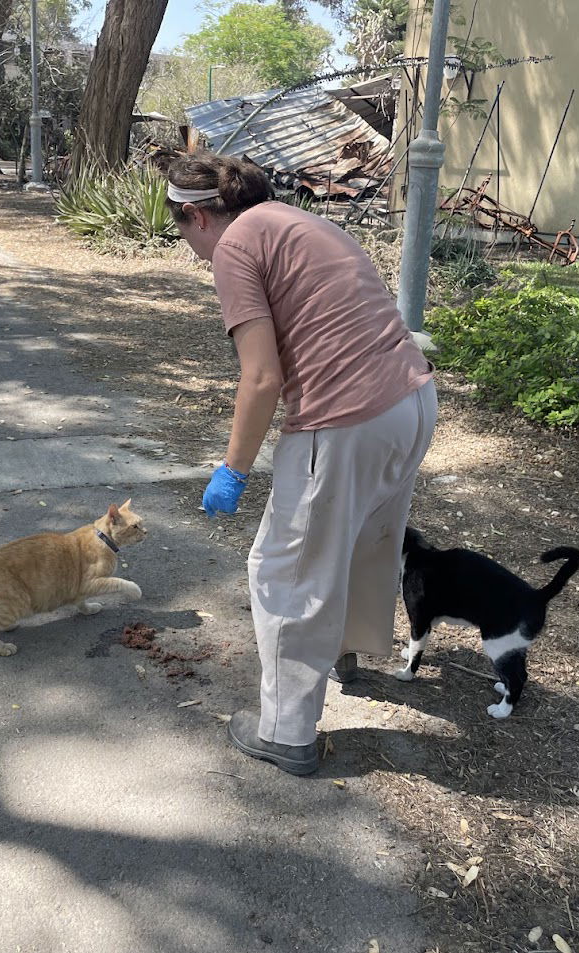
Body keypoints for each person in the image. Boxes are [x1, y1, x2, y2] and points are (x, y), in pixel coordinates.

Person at [165, 151, 436, 776]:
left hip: (348, 420)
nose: (187, 242)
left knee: (285, 569)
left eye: (180, 226)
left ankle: (286, 732)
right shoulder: (300, 220)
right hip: (413, 399)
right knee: (364, 540)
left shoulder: (234, 246)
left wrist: (234, 469)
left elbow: (262, 378)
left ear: (199, 216)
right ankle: (344, 651)